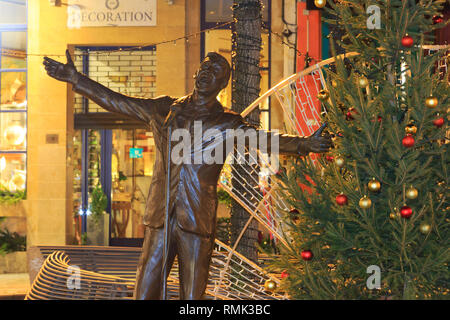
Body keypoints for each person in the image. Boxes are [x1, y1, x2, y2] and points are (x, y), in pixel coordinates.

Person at [43, 50, 332, 299]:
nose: (207, 73)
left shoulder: (227, 123)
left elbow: (266, 140)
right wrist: (77, 80)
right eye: (204, 67)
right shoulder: (164, 109)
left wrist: (305, 143)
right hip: (160, 217)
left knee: (192, 297)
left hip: (196, 220)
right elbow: (118, 101)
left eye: (215, 71)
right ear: (196, 72)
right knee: (145, 291)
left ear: (223, 83)